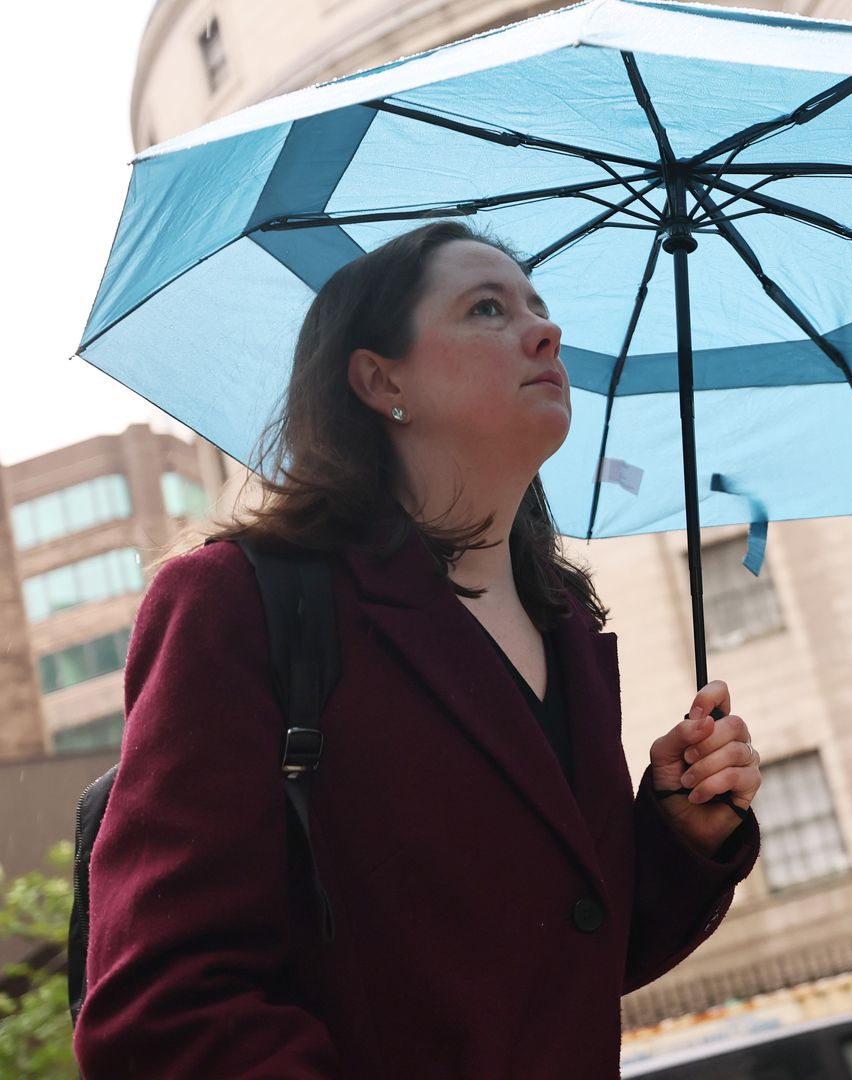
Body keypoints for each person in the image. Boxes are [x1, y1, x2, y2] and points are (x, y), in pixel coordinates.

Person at [73, 222, 762, 1078]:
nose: (544, 332)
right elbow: (167, 1005)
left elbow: (560, 961)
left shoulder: (572, 635)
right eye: (487, 308)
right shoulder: (241, 601)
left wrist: (676, 834)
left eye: (541, 309)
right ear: (379, 378)